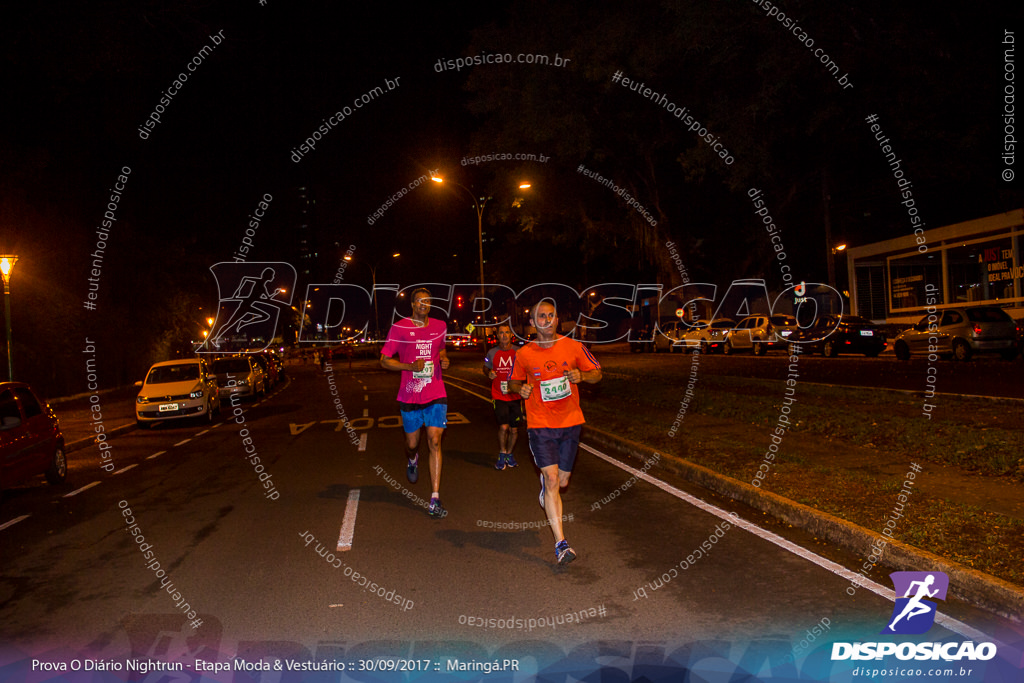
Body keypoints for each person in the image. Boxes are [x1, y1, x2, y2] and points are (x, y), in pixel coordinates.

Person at [508, 299, 602, 565]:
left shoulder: (573, 347)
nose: (546, 320)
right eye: (541, 315)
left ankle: (547, 489)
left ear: (557, 319)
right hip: (540, 424)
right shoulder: (524, 354)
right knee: (551, 480)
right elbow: (513, 381)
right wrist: (520, 389)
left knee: (562, 482)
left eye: (551, 315)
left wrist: (582, 377)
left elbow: (597, 373)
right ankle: (561, 543)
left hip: (571, 422)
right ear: (532, 321)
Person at [380, 288, 450, 518]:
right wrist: (409, 367)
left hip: (435, 392)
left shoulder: (439, 326)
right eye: (419, 300)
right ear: (412, 304)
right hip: (409, 395)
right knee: (412, 443)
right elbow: (384, 360)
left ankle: (435, 498)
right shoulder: (399, 327)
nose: (424, 303)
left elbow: (441, 349)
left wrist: (445, 358)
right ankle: (412, 459)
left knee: (435, 441)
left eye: (427, 300)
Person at [483, 323, 524, 470]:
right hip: (499, 395)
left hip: (515, 396)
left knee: (514, 429)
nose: (504, 335)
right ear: (498, 335)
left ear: (511, 335)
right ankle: (502, 453)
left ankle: (509, 454)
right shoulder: (492, 353)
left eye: (507, 332)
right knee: (503, 427)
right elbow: (485, 367)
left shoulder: (519, 352)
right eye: (501, 333)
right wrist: (489, 373)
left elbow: (526, 370)